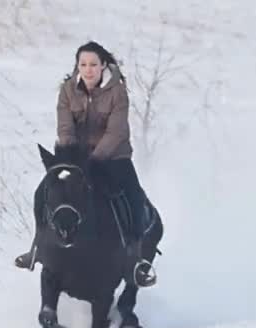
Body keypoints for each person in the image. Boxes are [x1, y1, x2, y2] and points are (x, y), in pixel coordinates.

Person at [14, 41, 157, 287]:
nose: (88, 70)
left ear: (103, 66)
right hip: (76, 158)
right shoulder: (68, 90)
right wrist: (71, 157)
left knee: (134, 198)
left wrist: (93, 160)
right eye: (83, 65)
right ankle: (37, 247)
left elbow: (116, 132)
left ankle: (136, 260)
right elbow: (65, 126)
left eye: (93, 64)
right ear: (77, 66)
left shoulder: (117, 92)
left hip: (113, 157)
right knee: (45, 191)